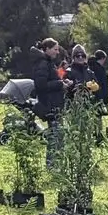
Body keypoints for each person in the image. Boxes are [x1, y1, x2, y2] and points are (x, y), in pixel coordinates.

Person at [28, 38, 68, 166]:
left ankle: (56, 164)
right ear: (47, 49)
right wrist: (60, 84)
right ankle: (52, 165)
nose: (57, 52)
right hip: (49, 104)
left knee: (58, 134)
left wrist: (62, 83)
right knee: (55, 136)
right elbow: (41, 85)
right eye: (55, 49)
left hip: (54, 103)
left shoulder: (47, 62)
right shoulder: (43, 64)